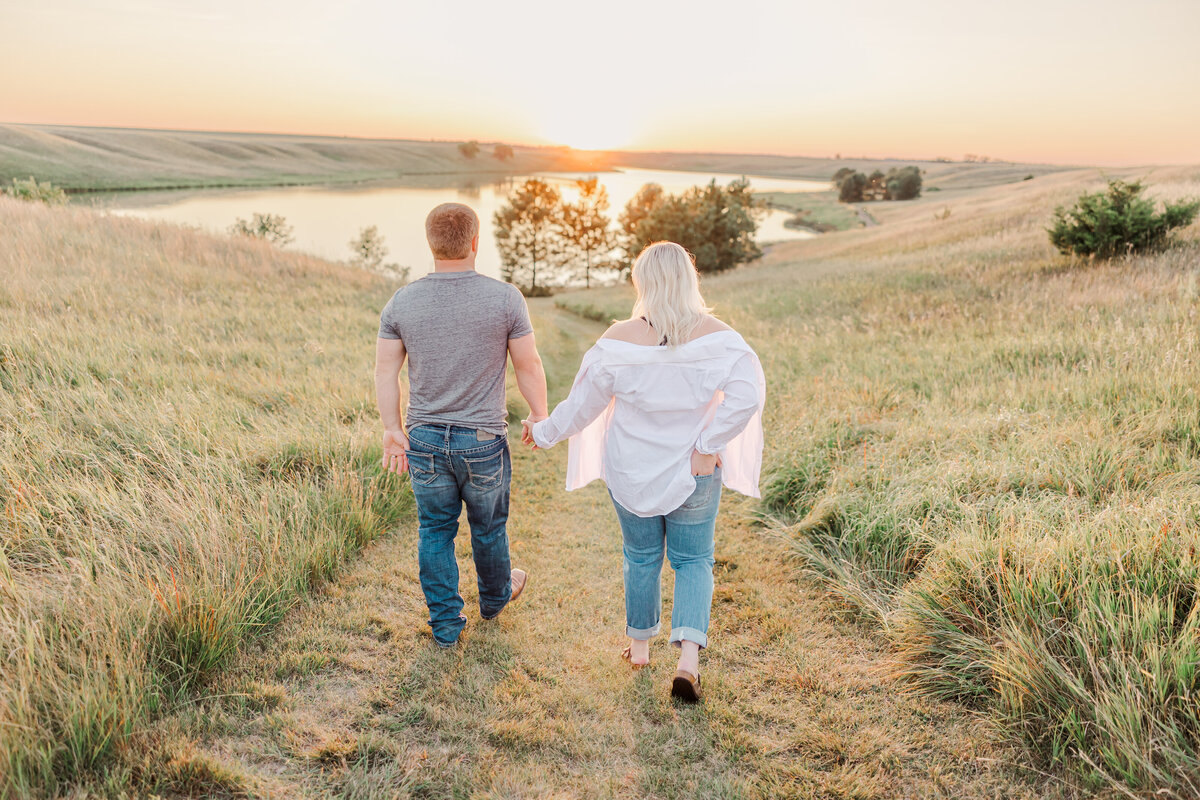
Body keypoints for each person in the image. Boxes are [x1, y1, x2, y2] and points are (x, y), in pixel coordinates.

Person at [526, 241, 765, 701]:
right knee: (693, 560)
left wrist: (542, 432)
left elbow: (582, 407)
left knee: (641, 557)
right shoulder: (719, 337)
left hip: (631, 471)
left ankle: (639, 650)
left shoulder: (617, 339)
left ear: (643, 283)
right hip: (695, 471)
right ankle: (688, 661)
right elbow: (747, 395)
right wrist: (707, 445)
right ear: (688, 280)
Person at [375, 202, 548, 649]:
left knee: (435, 529)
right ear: (475, 242)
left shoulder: (401, 302)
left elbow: (385, 374)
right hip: (483, 440)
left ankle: (447, 627)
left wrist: (393, 431)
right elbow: (528, 365)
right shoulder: (506, 298)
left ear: (431, 243)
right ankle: (494, 599)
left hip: (425, 439)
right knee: (488, 528)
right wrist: (539, 415)